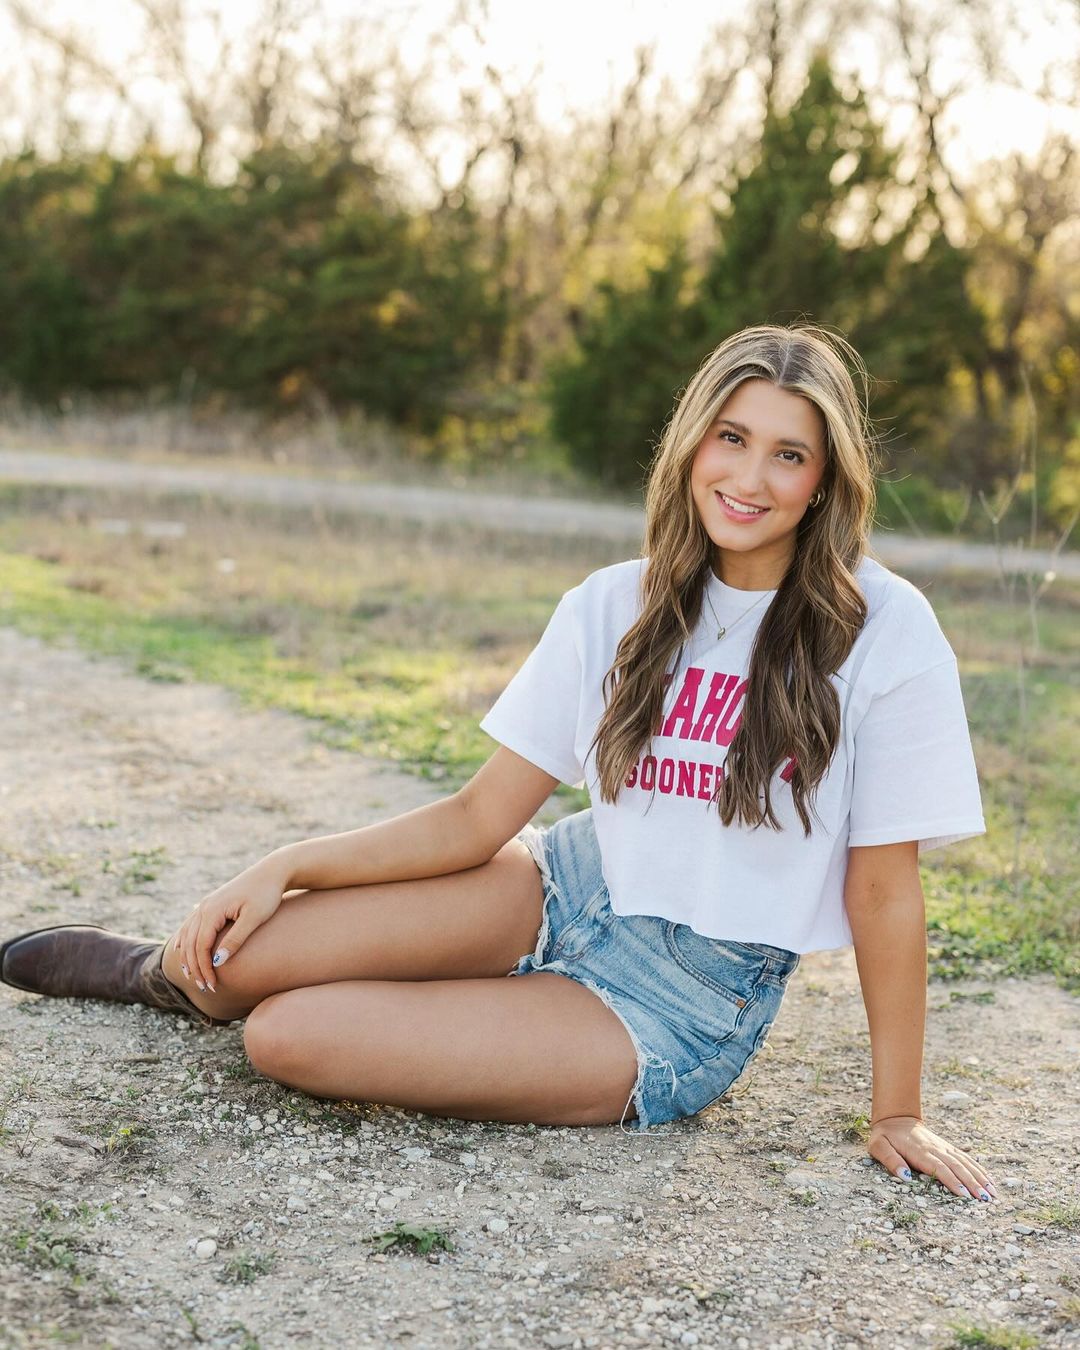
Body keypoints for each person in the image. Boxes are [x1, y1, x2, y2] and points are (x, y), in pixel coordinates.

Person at [1, 322, 998, 1203]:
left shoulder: (883, 629)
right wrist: (286, 865)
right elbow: (477, 820)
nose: (749, 478)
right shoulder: (618, 602)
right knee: (234, 966)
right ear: (693, 442)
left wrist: (897, 1112)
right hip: (562, 886)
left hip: (678, 1001)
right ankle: (155, 976)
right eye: (731, 438)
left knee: (285, 1036)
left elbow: (883, 889)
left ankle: (388, 1000)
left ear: (825, 479)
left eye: (789, 454)